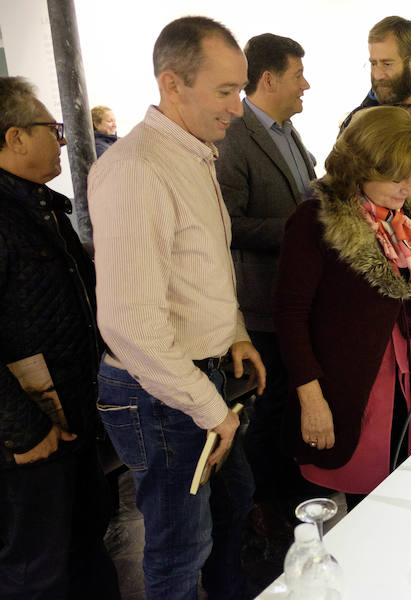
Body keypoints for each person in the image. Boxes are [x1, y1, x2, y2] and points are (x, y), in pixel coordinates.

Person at [88, 17, 266, 599]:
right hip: (162, 394)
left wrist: (235, 331)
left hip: (199, 378)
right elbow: (130, 323)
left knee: (230, 511)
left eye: (239, 90)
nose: (238, 108)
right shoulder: (138, 168)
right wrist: (211, 409)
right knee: (176, 553)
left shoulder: (192, 152)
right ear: (172, 82)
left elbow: (201, 269)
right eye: (225, 91)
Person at [273, 106, 411, 506]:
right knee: (359, 498)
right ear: (361, 165)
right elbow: (290, 318)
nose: (409, 187)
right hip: (351, 385)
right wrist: (312, 399)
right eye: (397, 176)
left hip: (406, 376)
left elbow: (402, 281)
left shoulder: (402, 218)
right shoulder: (314, 220)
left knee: (401, 486)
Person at [0, 76, 120, 599]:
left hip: (72, 418)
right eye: (52, 128)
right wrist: (23, 430)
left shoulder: (42, 207)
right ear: (15, 138)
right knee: (37, 569)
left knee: (86, 545)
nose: (64, 139)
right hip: (30, 436)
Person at [214, 32, 317, 523]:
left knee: (293, 400)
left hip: (298, 295)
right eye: (299, 75)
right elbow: (226, 223)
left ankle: (292, 494)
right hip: (262, 300)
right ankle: (263, 507)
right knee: (272, 403)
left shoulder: (285, 130)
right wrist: (299, 230)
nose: (307, 85)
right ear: (270, 78)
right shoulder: (236, 138)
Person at [340, 16, 411, 160]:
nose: (378, 75)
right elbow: (339, 178)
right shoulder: (355, 124)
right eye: (373, 63)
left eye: (387, 64)